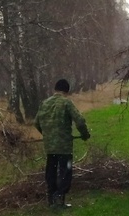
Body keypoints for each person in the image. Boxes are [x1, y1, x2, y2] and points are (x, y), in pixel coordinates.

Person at [34, 78, 90, 208]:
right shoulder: (66, 103)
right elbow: (80, 121)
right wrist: (85, 134)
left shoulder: (45, 103)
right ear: (67, 91)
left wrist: (47, 135)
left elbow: (36, 122)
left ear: (55, 89)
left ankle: (51, 198)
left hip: (50, 147)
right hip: (64, 147)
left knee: (51, 172)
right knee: (66, 171)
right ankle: (59, 198)